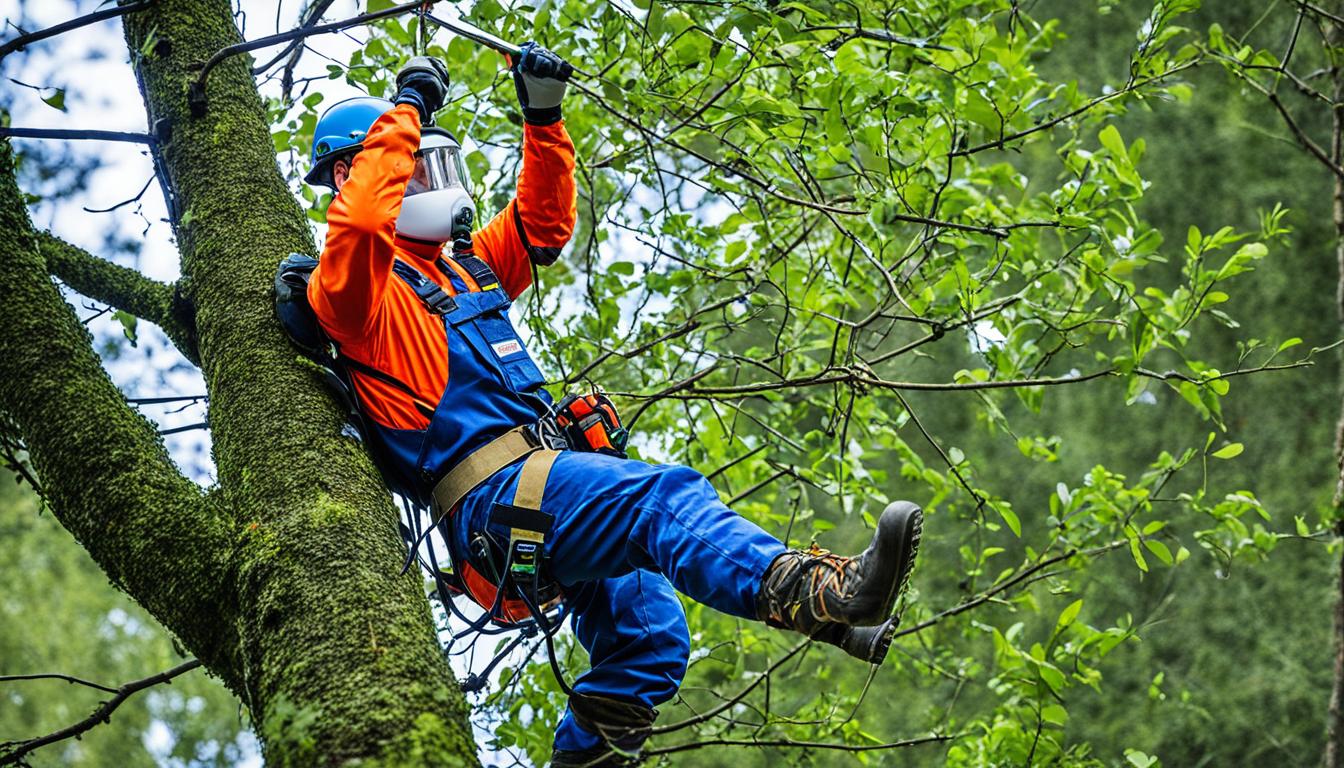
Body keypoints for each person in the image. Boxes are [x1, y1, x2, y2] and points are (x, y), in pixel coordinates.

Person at [302, 45, 924, 767]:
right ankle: (819, 593)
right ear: (360, 173)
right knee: (661, 499)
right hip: (494, 503)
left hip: (546, 485)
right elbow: (358, 230)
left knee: (653, 639)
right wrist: (407, 108)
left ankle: (586, 759)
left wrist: (543, 118)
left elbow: (541, 227)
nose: (431, 181)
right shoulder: (355, 295)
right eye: (413, 164)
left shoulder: (464, 267)